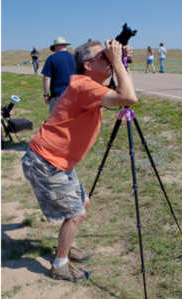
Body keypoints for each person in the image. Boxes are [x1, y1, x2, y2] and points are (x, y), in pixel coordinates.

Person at [22, 39, 137, 282]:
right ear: (87, 65)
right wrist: (117, 62)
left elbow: (120, 88)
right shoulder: (84, 86)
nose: (108, 60)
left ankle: (65, 244)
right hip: (46, 162)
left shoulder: (91, 83)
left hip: (58, 162)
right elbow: (128, 97)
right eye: (103, 57)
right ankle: (60, 264)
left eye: (108, 57)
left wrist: (121, 62)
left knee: (81, 205)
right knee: (75, 212)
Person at [41, 37, 76, 113]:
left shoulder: (51, 58)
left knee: (56, 122)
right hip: (74, 96)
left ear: (56, 46)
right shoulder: (74, 58)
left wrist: (46, 95)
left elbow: (46, 78)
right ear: (65, 46)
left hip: (58, 96)